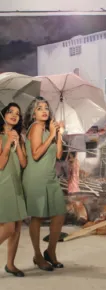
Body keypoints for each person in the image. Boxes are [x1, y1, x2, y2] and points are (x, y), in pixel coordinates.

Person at [23, 96, 66, 271]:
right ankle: (37, 255)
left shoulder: (48, 128)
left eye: (46, 107)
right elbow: (35, 154)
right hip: (36, 177)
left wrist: (59, 134)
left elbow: (58, 155)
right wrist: (51, 136)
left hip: (50, 177)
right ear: (33, 113)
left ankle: (51, 251)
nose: (44, 110)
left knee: (59, 214)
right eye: (40, 108)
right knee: (38, 216)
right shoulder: (36, 127)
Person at [0, 103, 27, 277]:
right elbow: (1, 164)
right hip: (3, 184)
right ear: (3, 114)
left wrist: (16, 143)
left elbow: (24, 163)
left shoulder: (19, 137)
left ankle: (10, 264)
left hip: (17, 184)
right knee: (8, 228)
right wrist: (8, 142)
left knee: (17, 228)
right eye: (10, 111)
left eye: (17, 113)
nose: (14, 115)